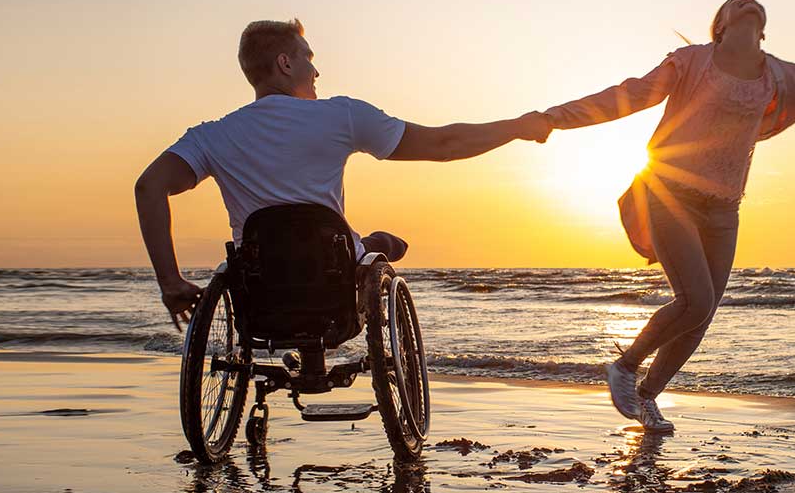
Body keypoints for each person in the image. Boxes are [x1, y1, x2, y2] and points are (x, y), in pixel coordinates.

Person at [539, 0, 795, 433]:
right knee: (694, 299)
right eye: (738, 1)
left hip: (725, 207)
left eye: (754, 1)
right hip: (670, 192)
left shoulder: (784, 76)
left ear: (763, 28)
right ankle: (625, 365)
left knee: (703, 311)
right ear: (721, 23)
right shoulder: (691, 62)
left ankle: (646, 397)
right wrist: (555, 118)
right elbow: (630, 95)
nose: (749, 0)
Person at [136, 18, 550, 321]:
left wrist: (171, 282)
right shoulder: (342, 115)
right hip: (332, 277)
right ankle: (375, 242)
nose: (316, 71)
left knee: (336, 242)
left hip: (262, 289)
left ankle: (373, 241)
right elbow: (444, 144)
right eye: (307, 58)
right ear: (285, 63)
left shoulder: (213, 136)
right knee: (374, 247)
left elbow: (148, 188)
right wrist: (516, 128)